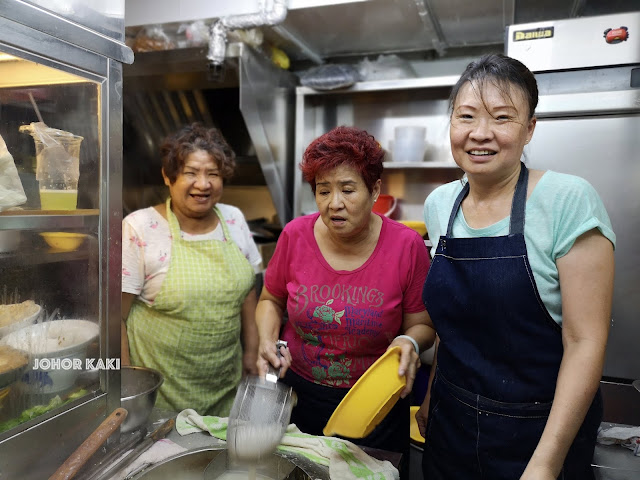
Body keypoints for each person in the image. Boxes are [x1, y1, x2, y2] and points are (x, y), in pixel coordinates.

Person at [416, 54, 615, 480]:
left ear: (529, 129)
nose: (480, 133)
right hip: (451, 422)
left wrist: (546, 462)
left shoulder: (568, 200)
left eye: (502, 118)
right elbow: (454, 324)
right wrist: (434, 394)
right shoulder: (440, 205)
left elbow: (584, 342)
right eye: (465, 116)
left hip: (539, 432)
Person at [255, 126, 436, 460]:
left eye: (348, 190)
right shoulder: (295, 235)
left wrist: (409, 341)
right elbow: (270, 299)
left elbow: (422, 325)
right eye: (323, 191)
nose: (334, 204)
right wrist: (267, 340)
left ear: (374, 189)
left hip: (375, 403)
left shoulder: (406, 246)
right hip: (298, 398)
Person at [121, 123, 262, 416]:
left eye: (213, 174)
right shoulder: (140, 227)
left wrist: (251, 351)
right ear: (168, 176)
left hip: (225, 388)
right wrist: (128, 385)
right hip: (161, 397)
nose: (203, 184)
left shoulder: (233, 219)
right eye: (191, 173)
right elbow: (117, 318)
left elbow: (249, 290)